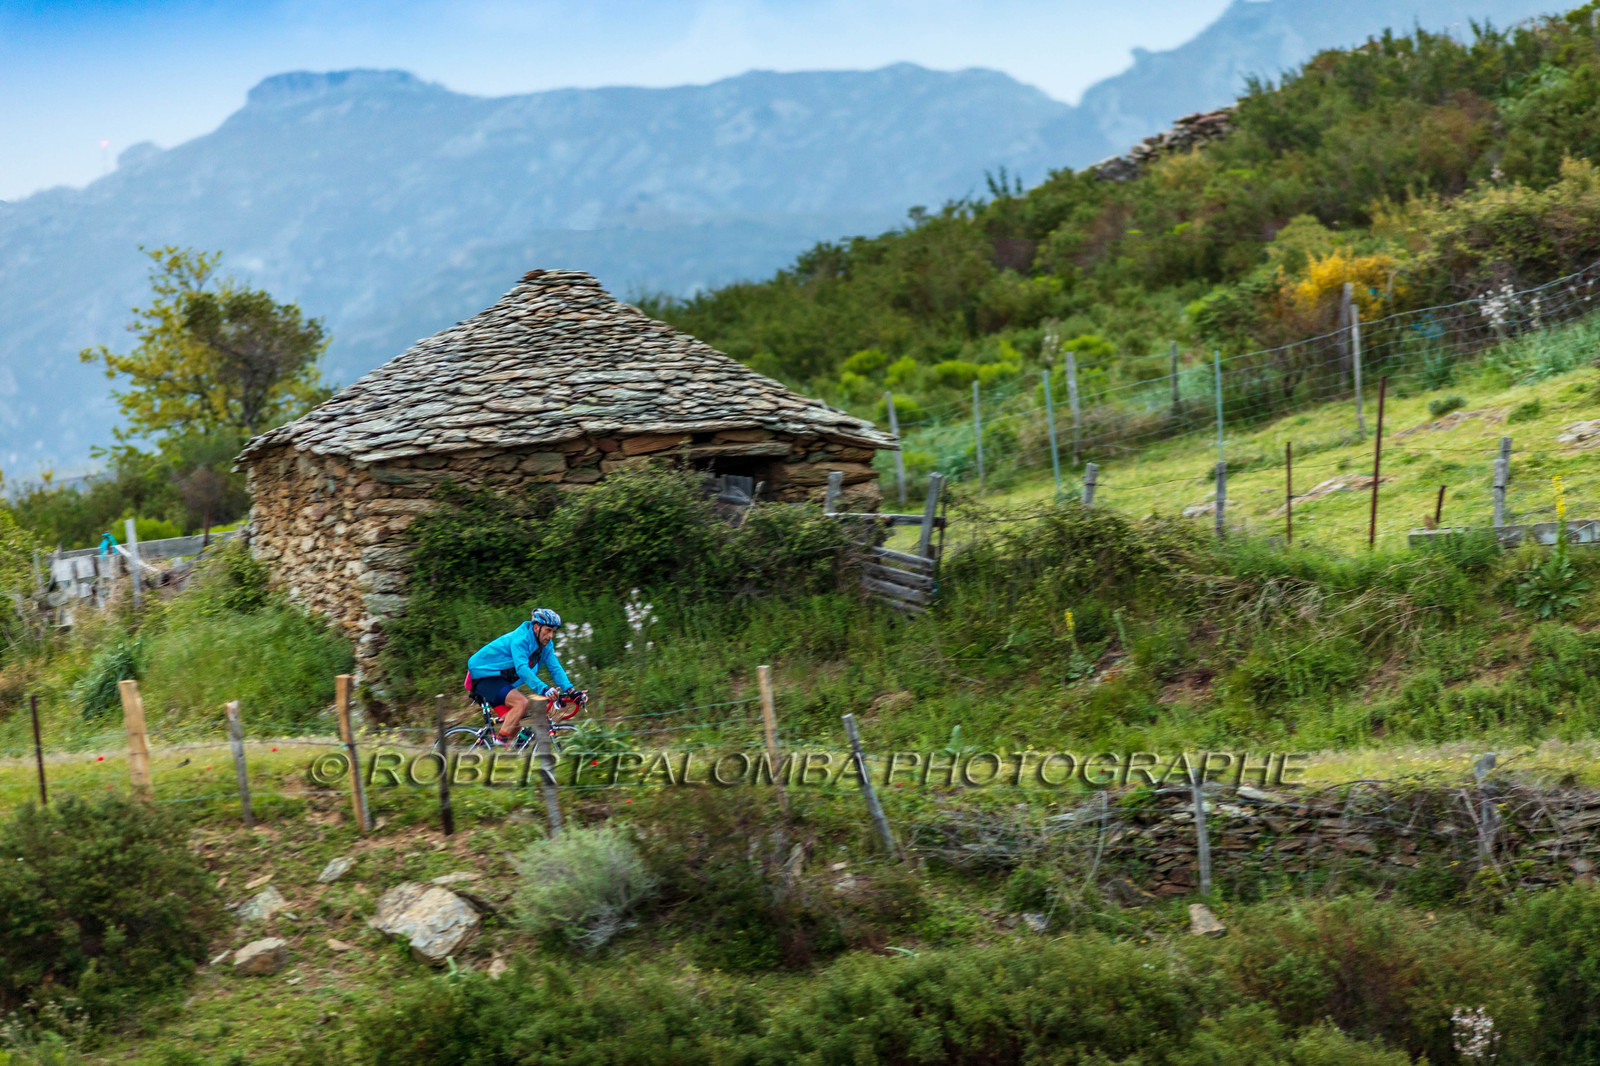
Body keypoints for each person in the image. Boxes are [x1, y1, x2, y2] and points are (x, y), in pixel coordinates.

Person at [466, 608, 572, 745]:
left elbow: (555, 668)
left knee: (514, 728)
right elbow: (522, 669)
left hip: (500, 680)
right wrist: (544, 689)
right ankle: (498, 748)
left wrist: (571, 690)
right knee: (521, 703)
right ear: (536, 628)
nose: (551, 635)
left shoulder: (546, 645)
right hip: (483, 675)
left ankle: (504, 757)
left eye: (553, 632)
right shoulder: (520, 639)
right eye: (548, 630)